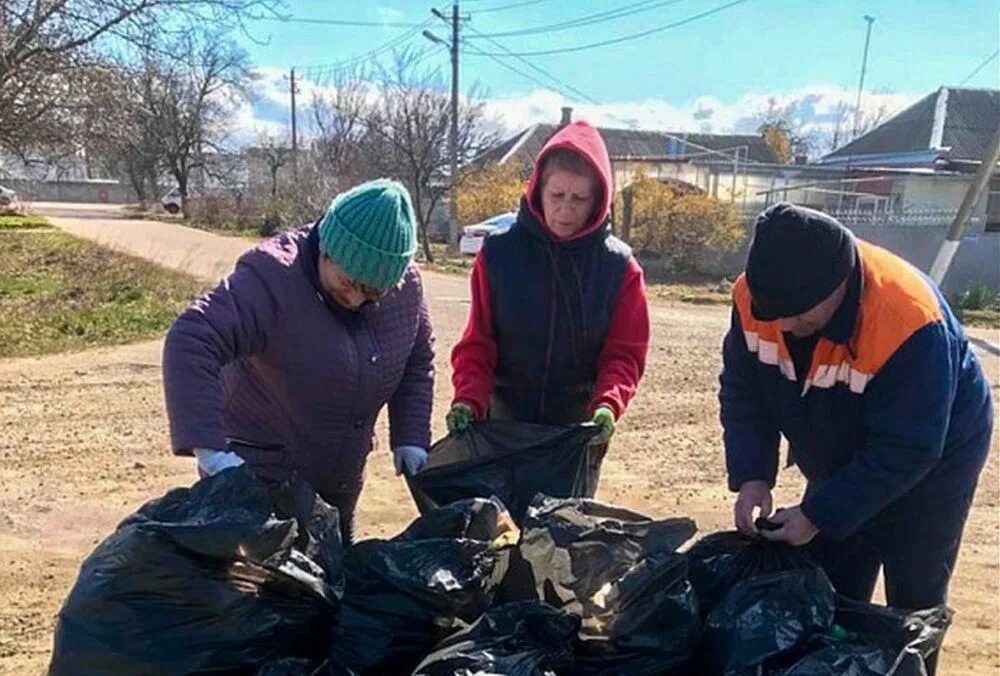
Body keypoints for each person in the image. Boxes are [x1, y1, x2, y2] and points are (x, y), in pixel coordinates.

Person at [719, 204, 992, 635]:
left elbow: (910, 446)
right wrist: (753, 475)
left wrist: (818, 514)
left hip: (936, 451)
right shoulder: (757, 299)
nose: (786, 325)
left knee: (915, 590)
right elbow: (744, 391)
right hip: (839, 435)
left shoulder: (907, 320)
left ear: (840, 283)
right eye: (774, 313)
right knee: (834, 581)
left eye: (800, 312)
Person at [162, 179, 435, 545]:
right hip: (259, 487)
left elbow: (416, 362)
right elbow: (192, 338)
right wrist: (211, 451)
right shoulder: (271, 279)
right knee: (264, 596)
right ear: (327, 248)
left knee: (334, 588)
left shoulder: (406, 289)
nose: (356, 299)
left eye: (373, 292)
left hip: (338, 486)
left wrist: (411, 437)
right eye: (349, 282)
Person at [448, 120, 650, 462]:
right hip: (501, 425)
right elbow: (478, 342)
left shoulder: (620, 268)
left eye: (579, 198)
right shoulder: (498, 254)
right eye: (557, 195)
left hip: (576, 434)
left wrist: (608, 404)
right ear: (538, 190)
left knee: (564, 518)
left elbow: (624, 354)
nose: (565, 208)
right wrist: (468, 397)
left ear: (598, 200)